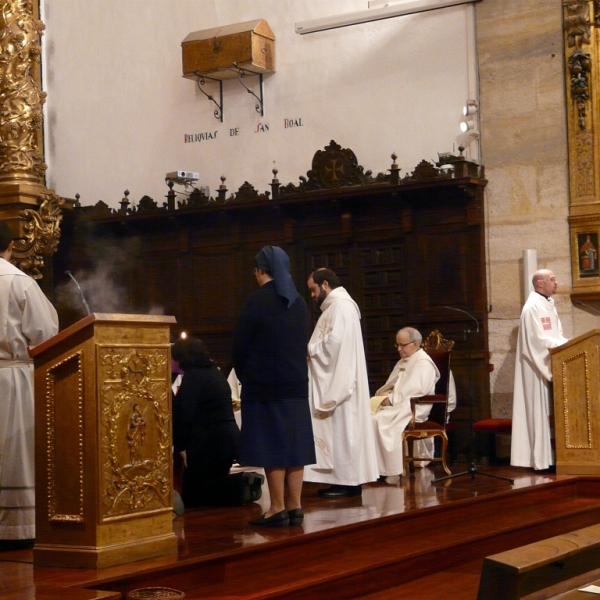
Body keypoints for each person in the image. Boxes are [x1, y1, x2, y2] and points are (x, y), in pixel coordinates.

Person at [232, 246, 315, 527]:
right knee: (294, 444)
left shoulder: (256, 301)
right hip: (296, 385)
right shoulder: (300, 302)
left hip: (265, 385)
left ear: (259, 270)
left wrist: (245, 375)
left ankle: (276, 507)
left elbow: (240, 346)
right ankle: (295, 506)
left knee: (273, 445)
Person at [0, 221, 58, 550]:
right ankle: (15, 528)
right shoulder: (19, 282)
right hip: (12, 379)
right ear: (10, 246)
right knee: (15, 455)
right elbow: (46, 334)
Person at [305, 268, 378, 497]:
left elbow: (335, 346)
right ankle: (341, 480)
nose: (312, 295)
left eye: (313, 289)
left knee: (345, 429)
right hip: (335, 377)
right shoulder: (335, 308)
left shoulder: (343, 307)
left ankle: (349, 482)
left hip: (341, 383)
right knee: (339, 431)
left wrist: (309, 349)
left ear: (325, 284)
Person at [171, 336, 264, 507]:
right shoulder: (215, 372)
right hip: (228, 441)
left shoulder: (194, 377)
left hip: (209, 444)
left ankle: (240, 484)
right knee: (211, 482)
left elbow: (186, 415)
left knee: (192, 496)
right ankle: (243, 486)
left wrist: (179, 446)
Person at [371, 327, 451, 476]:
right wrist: (385, 396)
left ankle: (386, 470)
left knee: (377, 420)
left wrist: (391, 400)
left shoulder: (423, 363)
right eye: (397, 345)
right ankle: (374, 469)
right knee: (369, 417)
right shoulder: (405, 361)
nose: (399, 349)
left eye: (403, 345)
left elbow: (416, 391)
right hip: (400, 404)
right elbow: (393, 385)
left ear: (415, 344)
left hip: (415, 407)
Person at [511, 269, 568, 471]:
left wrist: (565, 345)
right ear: (539, 283)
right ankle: (540, 460)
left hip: (550, 361)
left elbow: (556, 333)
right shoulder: (532, 307)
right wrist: (560, 347)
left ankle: (550, 457)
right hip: (536, 366)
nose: (557, 283)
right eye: (552, 279)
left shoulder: (548, 304)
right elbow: (535, 340)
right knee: (537, 409)